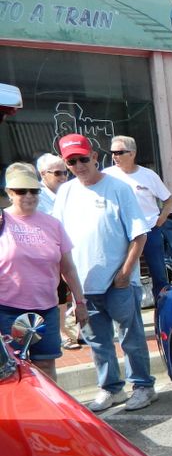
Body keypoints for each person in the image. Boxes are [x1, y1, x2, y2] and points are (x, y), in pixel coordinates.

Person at [52, 133, 157, 412]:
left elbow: (139, 235)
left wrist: (124, 273)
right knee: (98, 342)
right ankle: (111, 389)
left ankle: (143, 386)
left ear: (95, 157)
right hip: (84, 285)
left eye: (83, 159)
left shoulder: (119, 188)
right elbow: (57, 238)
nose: (79, 166)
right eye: (71, 162)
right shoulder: (66, 192)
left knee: (131, 338)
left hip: (118, 282)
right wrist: (67, 280)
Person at [0, 162, 87, 381]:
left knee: (46, 366)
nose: (29, 196)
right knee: (12, 370)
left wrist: (80, 302)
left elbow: (68, 267)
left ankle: (49, 404)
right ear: (10, 192)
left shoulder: (52, 224)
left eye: (34, 190)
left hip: (46, 310)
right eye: (21, 191)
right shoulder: (2, 221)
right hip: (7, 309)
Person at [102, 135, 172, 300]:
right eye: (112, 152)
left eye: (119, 152)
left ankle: (161, 308)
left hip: (149, 230)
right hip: (120, 232)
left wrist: (161, 219)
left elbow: (168, 199)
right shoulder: (106, 175)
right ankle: (126, 307)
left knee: (158, 272)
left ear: (132, 153)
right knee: (120, 271)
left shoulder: (148, 175)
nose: (114, 156)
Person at [35, 152, 80, 348]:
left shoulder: (71, 191)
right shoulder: (36, 194)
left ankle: (81, 328)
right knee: (58, 291)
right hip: (48, 250)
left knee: (79, 286)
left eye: (65, 172)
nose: (63, 177)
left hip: (73, 245)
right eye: (57, 173)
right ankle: (61, 331)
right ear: (43, 174)